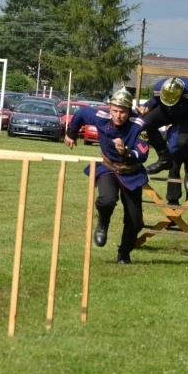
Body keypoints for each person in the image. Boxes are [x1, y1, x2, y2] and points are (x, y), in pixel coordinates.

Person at [65, 88, 149, 264]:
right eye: (115, 111)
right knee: (107, 199)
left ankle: (124, 254)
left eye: (123, 112)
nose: (118, 116)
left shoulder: (139, 125)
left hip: (131, 172)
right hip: (108, 168)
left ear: (129, 111)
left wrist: (125, 152)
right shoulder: (100, 116)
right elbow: (80, 113)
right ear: (110, 108)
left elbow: (142, 154)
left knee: (135, 220)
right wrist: (71, 133)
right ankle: (103, 222)